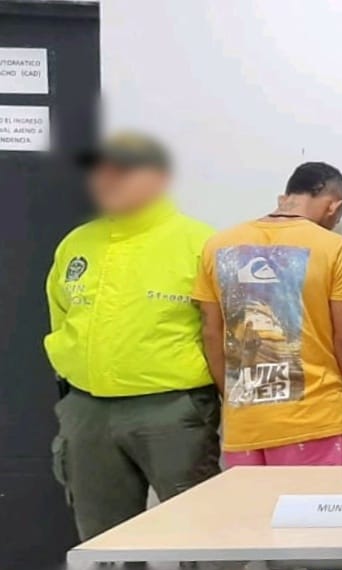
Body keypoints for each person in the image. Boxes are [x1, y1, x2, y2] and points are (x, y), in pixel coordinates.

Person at [45, 132, 220, 541]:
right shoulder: (76, 243)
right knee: (102, 542)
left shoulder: (200, 243)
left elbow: (224, 330)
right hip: (87, 412)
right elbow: (60, 317)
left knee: (198, 538)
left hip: (172, 411)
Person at [194, 162, 342, 467]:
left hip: (245, 425)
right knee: (324, 501)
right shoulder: (334, 247)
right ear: (333, 207)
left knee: (252, 501)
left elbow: (211, 333)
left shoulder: (217, 245)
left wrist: (232, 397)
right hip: (317, 420)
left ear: (284, 198)